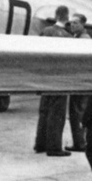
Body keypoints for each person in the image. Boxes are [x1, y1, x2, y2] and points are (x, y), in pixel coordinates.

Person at [34, 9, 71, 157]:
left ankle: (40, 144)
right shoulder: (69, 37)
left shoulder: (46, 31)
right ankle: (54, 147)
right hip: (60, 79)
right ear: (66, 18)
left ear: (56, 16)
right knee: (57, 114)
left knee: (44, 112)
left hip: (45, 77)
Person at [66, 14, 91, 150]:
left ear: (83, 25)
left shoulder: (84, 40)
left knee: (77, 113)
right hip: (78, 81)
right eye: (71, 23)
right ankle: (80, 142)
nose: (72, 25)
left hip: (81, 82)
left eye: (76, 23)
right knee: (76, 113)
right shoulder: (77, 38)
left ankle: (80, 144)